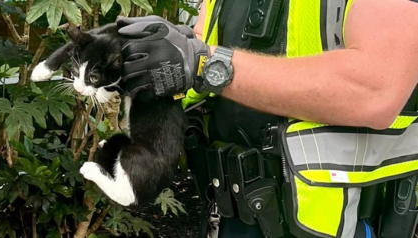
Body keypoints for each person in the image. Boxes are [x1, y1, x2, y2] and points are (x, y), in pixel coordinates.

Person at [116, 0, 418, 237]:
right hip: (228, 212)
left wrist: (206, 66)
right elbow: (205, 43)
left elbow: (375, 89)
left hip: (329, 221)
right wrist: (157, 58)